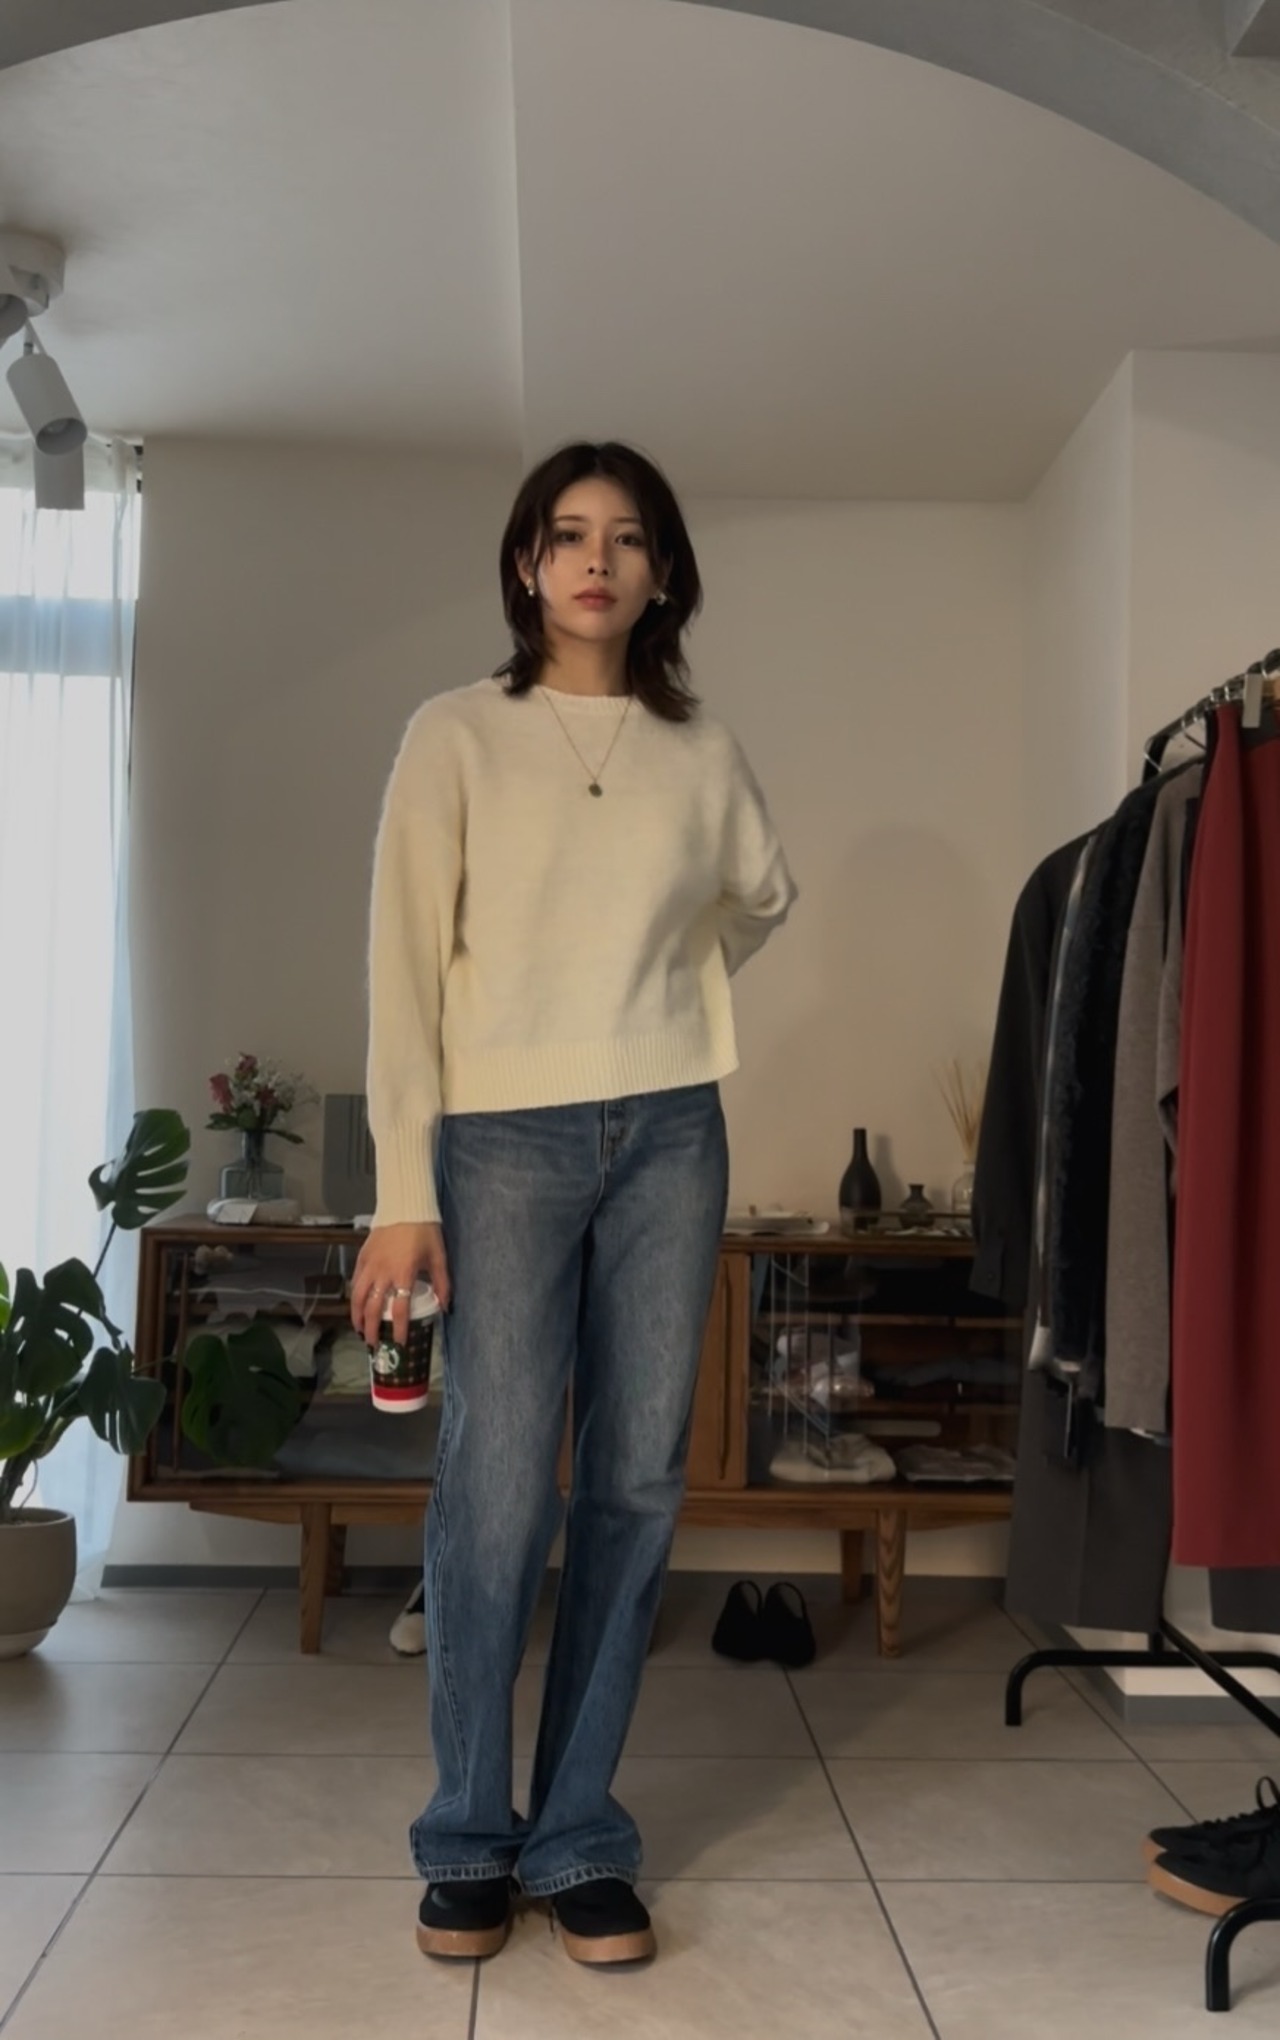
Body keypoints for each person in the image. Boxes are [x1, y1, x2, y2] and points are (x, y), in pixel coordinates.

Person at [349, 440, 796, 1969]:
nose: (596, 560)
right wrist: (399, 1191)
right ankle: (468, 1834)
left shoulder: (701, 746)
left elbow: (762, 894)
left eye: (627, 537)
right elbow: (403, 971)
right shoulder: (457, 735)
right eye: (566, 534)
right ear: (527, 564)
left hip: (674, 1130)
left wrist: (671, 991)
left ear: (663, 572)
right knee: (494, 1485)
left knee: (637, 1481)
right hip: (498, 1141)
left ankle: (581, 1833)